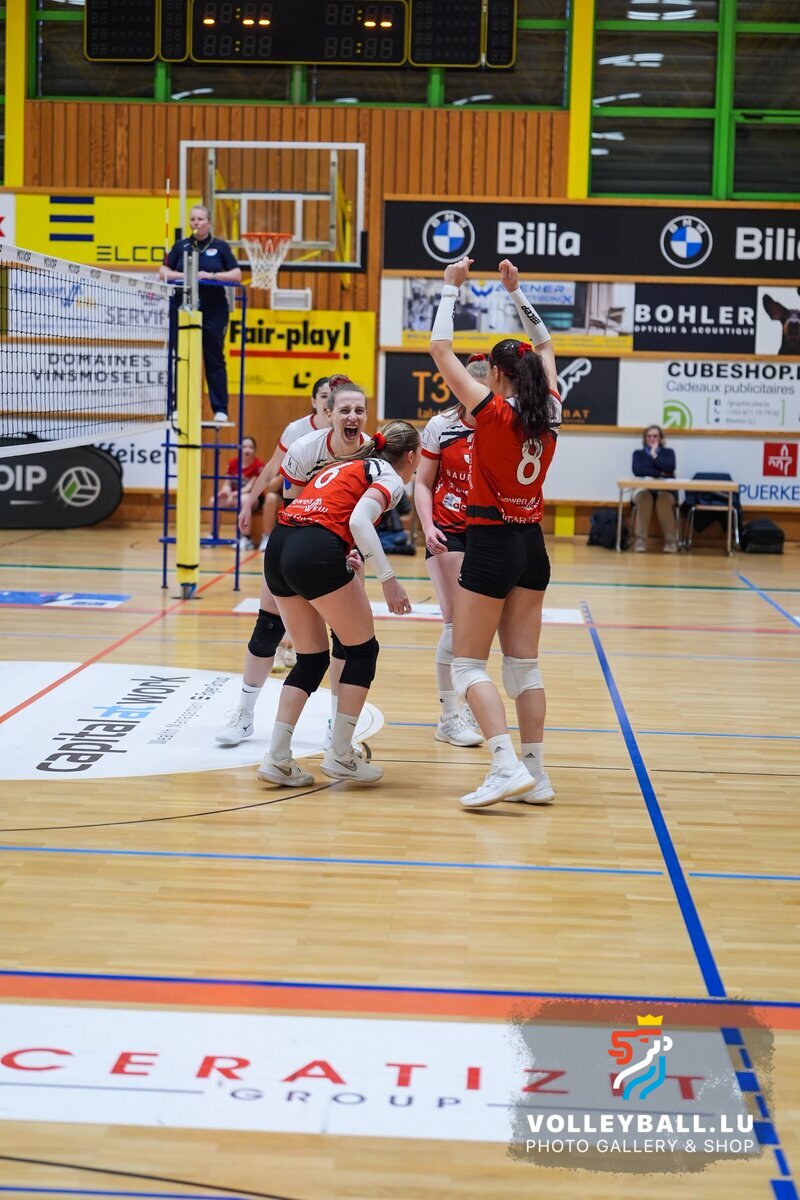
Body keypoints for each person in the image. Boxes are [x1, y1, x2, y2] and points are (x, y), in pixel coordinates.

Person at [429, 256, 562, 809]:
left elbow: (440, 349)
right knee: (524, 666)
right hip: (532, 544)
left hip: (489, 542)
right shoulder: (550, 410)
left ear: (497, 376)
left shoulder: (490, 412)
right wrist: (517, 293)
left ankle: (505, 765)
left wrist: (450, 289)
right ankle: (537, 774)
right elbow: (546, 344)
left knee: (466, 665)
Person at [258, 422, 421, 787]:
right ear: (412, 456)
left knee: (312, 658)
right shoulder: (389, 476)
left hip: (280, 547)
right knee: (362, 650)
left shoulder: (345, 465)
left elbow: (323, 512)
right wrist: (389, 579)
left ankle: (277, 757)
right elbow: (359, 520)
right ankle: (341, 754)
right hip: (312, 550)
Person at [215, 376, 369, 748]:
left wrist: (356, 552)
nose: (351, 416)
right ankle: (244, 714)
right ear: (325, 410)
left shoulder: (369, 452)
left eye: (359, 410)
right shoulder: (302, 443)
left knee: (346, 641)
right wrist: (250, 501)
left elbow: (367, 511)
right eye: (343, 408)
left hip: (343, 546)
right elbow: (292, 507)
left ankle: (336, 725)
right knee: (268, 628)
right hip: (298, 543)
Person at [414, 356, 488, 749]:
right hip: (448, 530)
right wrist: (428, 527)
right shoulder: (440, 426)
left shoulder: (499, 421)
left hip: (488, 531)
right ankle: (448, 718)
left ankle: (471, 703)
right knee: (456, 625)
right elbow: (422, 483)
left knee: (479, 628)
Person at [160, 205, 242, 424]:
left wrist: (211, 275)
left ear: (209, 222)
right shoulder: (181, 246)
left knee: (214, 357)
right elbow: (163, 272)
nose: (196, 222)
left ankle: (220, 409)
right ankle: (176, 406)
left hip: (214, 308)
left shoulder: (220, 247)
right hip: (183, 306)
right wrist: (186, 276)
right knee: (180, 356)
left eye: (200, 219)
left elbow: (236, 274)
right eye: (193, 219)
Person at [240, 377, 332, 552]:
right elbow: (271, 469)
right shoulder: (296, 429)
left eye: (332, 396)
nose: (328, 401)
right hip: (297, 502)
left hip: (329, 503)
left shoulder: (343, 430)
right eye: (323, 396)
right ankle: (268, 538)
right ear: (313, 401)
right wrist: (247, 505)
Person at [213, 435, 265, 551]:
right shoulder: (232, 463)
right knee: (214, 501)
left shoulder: (258, 465)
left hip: (254, 498)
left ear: (255, 450)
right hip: (235, 495)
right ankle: (214, 535)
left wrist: (236, 493)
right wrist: (225, 491)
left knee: (244, 500)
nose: (247, 450)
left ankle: (246, 538)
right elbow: (227, 483)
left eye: (250, 447)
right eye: (244, 447)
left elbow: (250, 487)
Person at [631, 426, 678, 553]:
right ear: (645, 438)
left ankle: (670, 541)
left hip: (666, 491)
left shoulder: (668, 453)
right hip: (643, 489)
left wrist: (654, 456)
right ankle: (640, 540)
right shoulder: (638, 454)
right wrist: (661, 472)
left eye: (655, 436)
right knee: (644, 497)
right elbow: (638, 470)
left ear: (661, 438)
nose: (652, 439)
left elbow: (670, 467)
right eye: (649, 436)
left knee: (663, 500)